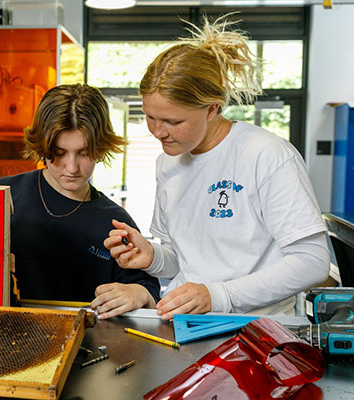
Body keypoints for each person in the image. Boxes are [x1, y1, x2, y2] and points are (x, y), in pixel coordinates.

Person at [104, 15, 330, 320]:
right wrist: (152, 256)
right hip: (186, 323)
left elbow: (312, 261)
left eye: (173, 121)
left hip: (258, 329)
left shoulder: (266, 155)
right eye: (150, 117)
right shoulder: (168, 161)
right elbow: (182, 261)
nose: (158, 131)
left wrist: (219, 295)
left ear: (212, 109)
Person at [0, 83, 160, 319]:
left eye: (83, 153)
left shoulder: (115, 222)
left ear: (100, 148)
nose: (72, 168)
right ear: (42, 146)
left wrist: (138, 293)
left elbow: (149, 292)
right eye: (58, 153)